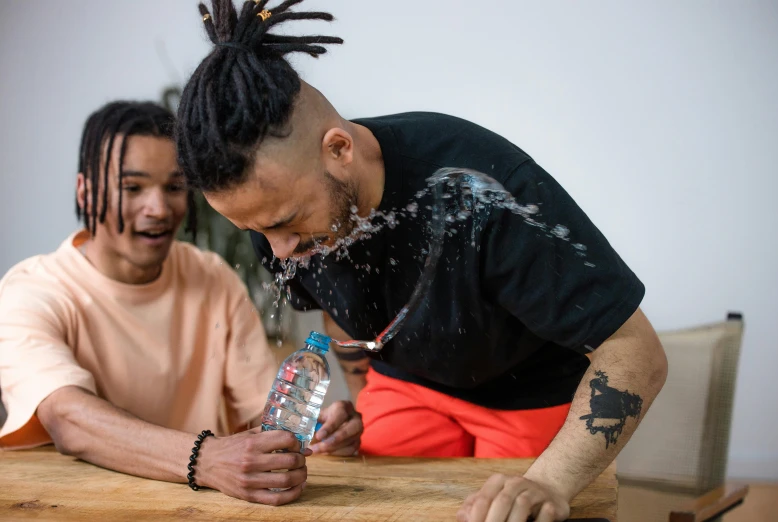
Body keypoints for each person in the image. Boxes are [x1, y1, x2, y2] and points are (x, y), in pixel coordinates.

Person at [175, 2, 668, 521]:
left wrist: (548, 484)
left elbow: (637, 353)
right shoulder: (272, 212)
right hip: (407, 388)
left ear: (339, 149)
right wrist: (361, 406)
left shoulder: (486, 191)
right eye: (255, 231)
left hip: (530, 395)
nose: (278, 250)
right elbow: (331, 303)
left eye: (287, 223)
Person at [0, 100, 362, 506]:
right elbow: (67, 418)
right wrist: (205, 459)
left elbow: (263, 415)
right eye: (132, 188)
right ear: (85, 191)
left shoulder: (212, 278)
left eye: (174, 188)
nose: (158, 209)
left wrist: (317, 430)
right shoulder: (30, 292)